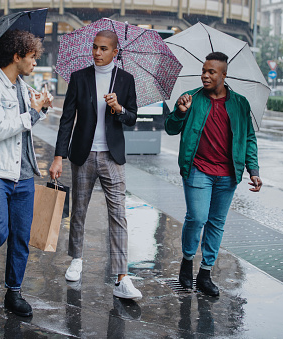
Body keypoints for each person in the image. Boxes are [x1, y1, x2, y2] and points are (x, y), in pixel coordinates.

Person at [49, 30, 142, 300]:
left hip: (112, 156)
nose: (97, 53)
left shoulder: (125, 80)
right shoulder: (79, 78)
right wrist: (59, 155)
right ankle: (76, 258)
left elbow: (132, 117)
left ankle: (122, 276)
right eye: (94, 47)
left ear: (115, 52)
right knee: (78, 209)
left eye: (103, 48)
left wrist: (119, 108)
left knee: (119, 215)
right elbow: (67, 119)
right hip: (83, 154)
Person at [0, 29, 53, 322]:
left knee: (20, 236)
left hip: (24, 172)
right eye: (31, 57)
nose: (34, 63)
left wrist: (40, 109)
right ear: (16, 56)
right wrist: (32, 114)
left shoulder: (21, 87)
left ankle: (13, 292)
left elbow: (23, 128)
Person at [164, 52, 262, 297]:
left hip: (228, 173)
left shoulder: (240, 103)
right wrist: (180, 112)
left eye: (211, 72)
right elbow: (170, 128)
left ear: (223, 75)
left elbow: (248, 138)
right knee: (197, 218)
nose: (205, 76)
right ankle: (187, 262)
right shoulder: (192, 98)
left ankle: (205, 274)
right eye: (203, 71)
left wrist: (254, 170)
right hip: (198, 169)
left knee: (216, 223)